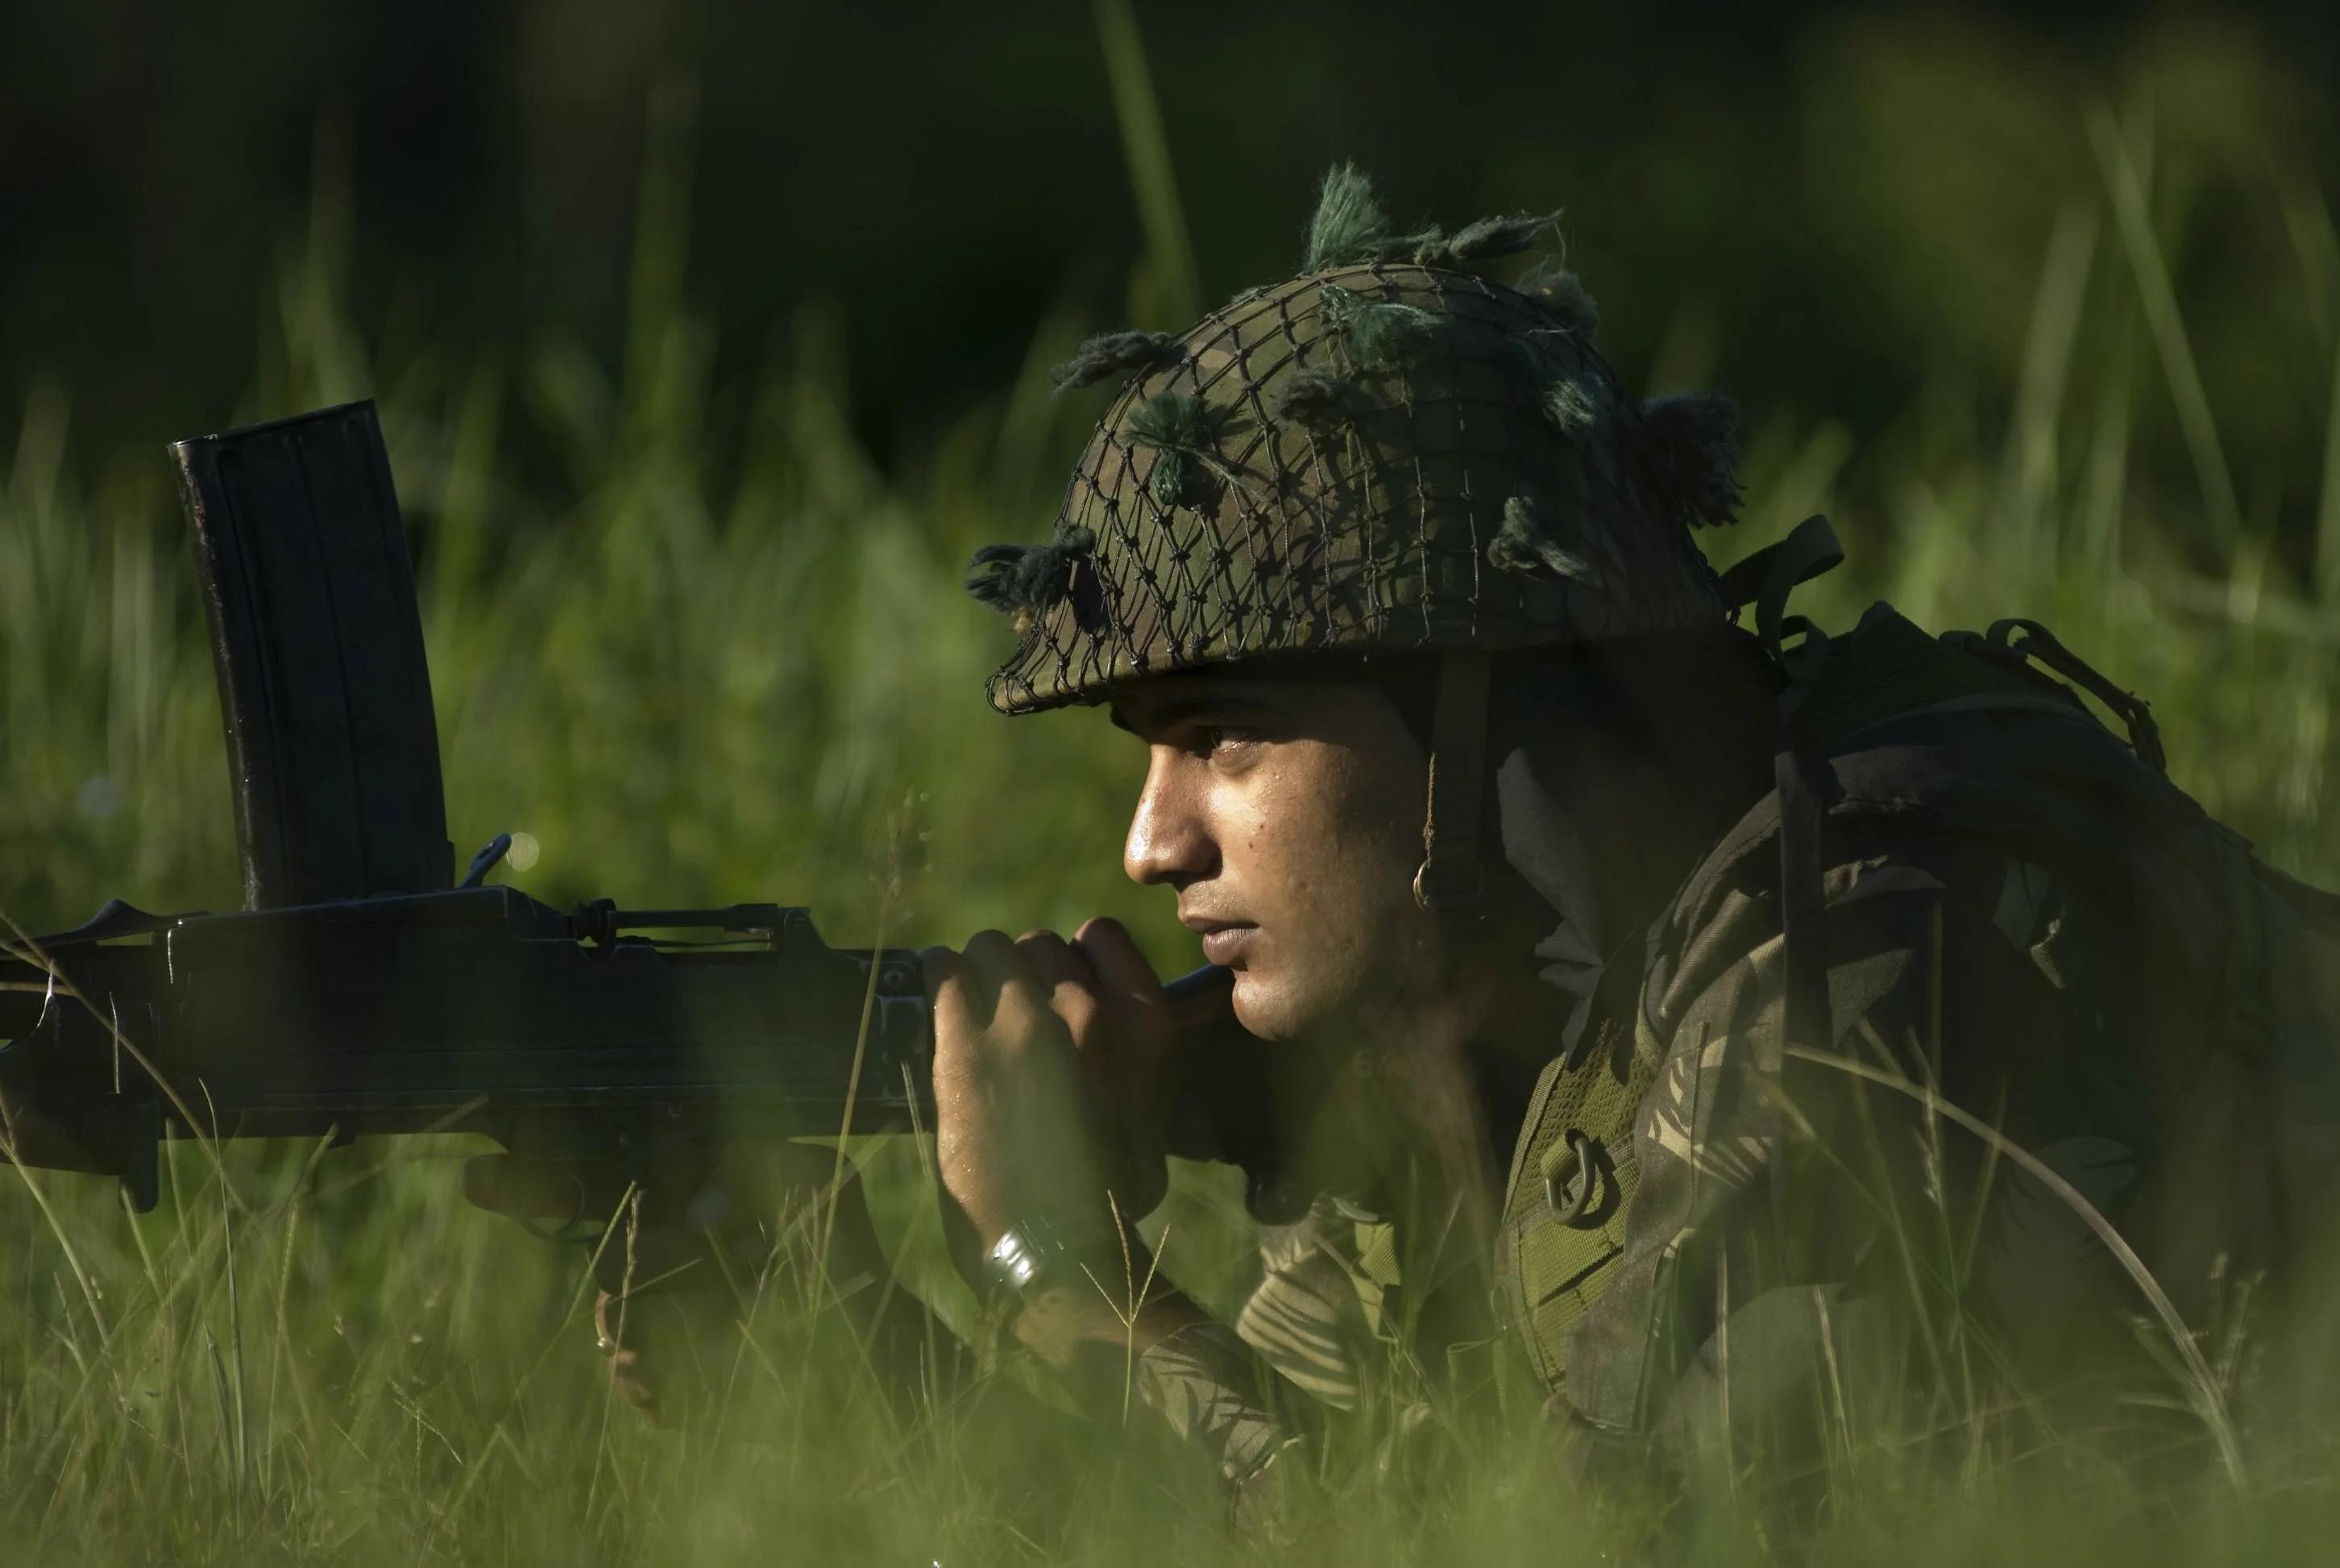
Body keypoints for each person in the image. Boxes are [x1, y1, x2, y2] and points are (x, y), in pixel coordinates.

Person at [472, 164, 2340, 1504]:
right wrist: (779, 1296)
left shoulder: (1855, 978)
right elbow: (1251, 1516)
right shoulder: (1487, 1039)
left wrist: (1068, 1279)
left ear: (1474, 710)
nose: (1150, 842)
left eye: (1220, 739)